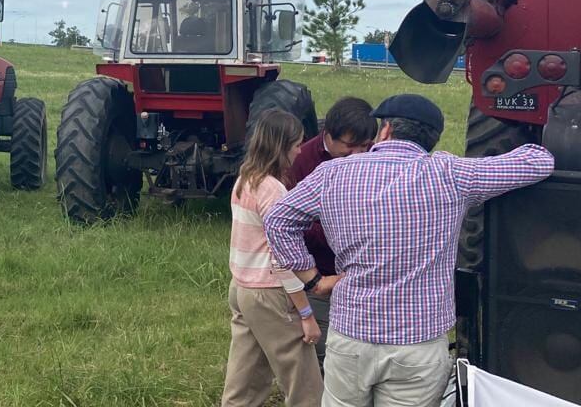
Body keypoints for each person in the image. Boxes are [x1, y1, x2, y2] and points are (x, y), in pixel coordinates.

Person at [263, 94, 554, 407]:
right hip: (419, 344)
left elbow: (278, 219)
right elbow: (539, 161)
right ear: (432, 139)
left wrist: (312, 280)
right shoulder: (450, 174)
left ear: (385, 130)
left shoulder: (333, 174)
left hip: (351, 335)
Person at [223, 109, 327, 407]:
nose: (299, 150)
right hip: (270, 293)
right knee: (304, 384)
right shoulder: (274, 190)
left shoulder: (246, 178)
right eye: (296, 144)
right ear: (281, 146)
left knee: (244, 380)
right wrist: (306, 315)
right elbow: (283, 258)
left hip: (242, 287)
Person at [285, 97, 378, 366]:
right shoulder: (301, 162)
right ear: (328, 136)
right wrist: (342, 232)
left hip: (362, 273)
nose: (357, 157)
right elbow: (291, 223)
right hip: (319, 274)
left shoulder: (377, 159)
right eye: (348, 149)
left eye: (365, 147)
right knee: (323, 348)